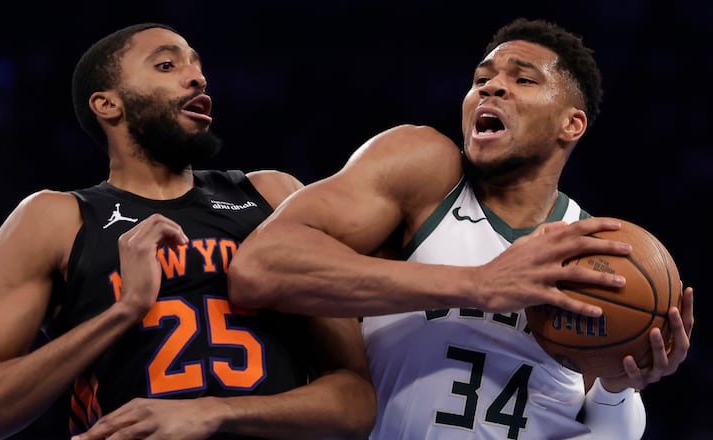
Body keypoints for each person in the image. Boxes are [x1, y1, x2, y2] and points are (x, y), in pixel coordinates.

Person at [228, 17, 694, 439]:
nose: (491, 89)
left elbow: (608, 435)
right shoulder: (426, 172)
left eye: (523, 79)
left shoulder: (594, 251)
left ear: (571, 124)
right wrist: (476, 284)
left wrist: (618, 387)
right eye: (482, 79)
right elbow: (260, 269)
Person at [0, 23, 376, 440]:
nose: (197, 79)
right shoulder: (56, 217)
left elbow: (357, 401)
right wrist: (124, 310)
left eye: (197, 66)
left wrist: (214, 412)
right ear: (108, 103)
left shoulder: (272, 195)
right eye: (167, 65)